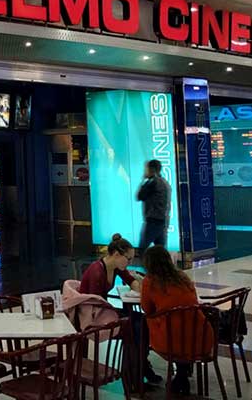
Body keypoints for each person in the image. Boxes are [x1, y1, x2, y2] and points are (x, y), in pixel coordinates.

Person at [76, 234, 162, 386]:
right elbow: (96, 303)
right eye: (128, 259)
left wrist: (138, 286)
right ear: (116, 254)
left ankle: (140, 368)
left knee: (142, 322)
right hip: (92, 317)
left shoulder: (115, 267)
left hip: (103, 311)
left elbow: (130, 280)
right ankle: (134, 376)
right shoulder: (97, 271)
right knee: (136, 326)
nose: (130, 263)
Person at [140, 245, 212, 395]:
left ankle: (141, 368)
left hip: (170, 340)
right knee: (180, 330)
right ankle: (181, 375)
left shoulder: (150, 281)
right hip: (200, 335)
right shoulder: (182, 277)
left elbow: (147, 310)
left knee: (144, 325)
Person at [137, 159, 171, 255]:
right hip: (162, 221)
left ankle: (147, 264)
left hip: (152, 221)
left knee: (142, 250)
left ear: (152, 169)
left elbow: (139, 196)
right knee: (161, 251)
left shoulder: (152, 182)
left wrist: (143, 180)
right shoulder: (164, 182)